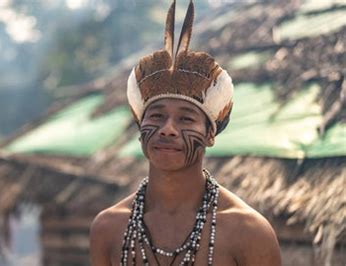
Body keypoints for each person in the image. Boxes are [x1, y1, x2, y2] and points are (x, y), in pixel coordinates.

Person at [89, 1, 281, 265]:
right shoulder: (108, 228)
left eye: (186, 119)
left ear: (210, 135)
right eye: (156, 116)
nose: (168, 129)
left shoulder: (248, 232)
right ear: (140, 128)